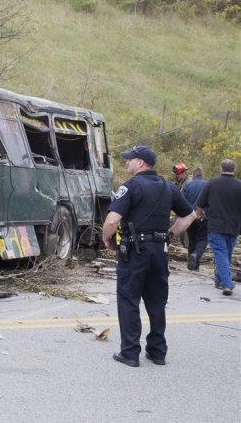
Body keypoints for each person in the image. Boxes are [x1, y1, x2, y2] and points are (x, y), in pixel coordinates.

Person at [102, 146, 196, 367]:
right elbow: (189, 215)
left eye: (130, 160)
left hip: (135, 251)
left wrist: (107, 239)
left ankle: (130, 352)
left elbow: (112, 220)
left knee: (128, 299)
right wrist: (170, 234)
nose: (127, 163)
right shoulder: (168, 187)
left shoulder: (131, 186)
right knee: (156, 301)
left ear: (141, 163)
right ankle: (157, 351)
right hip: (159, 251)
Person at [195, 159, 241, 296]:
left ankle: (227, 284)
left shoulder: (212, 183)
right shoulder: (239, 185)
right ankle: (219, 280)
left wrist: (199, 215)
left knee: (221, 254)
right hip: (234, 226)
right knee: (226, 254)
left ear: (221, 169)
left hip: (216, 225)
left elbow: (200, 204)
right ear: (235, 169)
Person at [181, 167, 208, 270]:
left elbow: (182, 201)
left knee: (192, 239)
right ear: (202, 174)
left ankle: (192, 265)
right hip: (204, 217)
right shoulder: (208, 185)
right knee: (203, 239)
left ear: (193, 175)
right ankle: (196, 255)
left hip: (190, 216)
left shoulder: (187, 186)